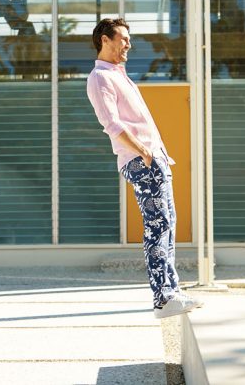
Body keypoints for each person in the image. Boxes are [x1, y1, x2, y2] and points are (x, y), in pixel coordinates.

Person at [87, 17, 202, 318]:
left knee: (167, 224)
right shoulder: (101, 78)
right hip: (141, 161)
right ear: (105, 40)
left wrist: (156, 155)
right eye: (123, 38)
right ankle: (163, 299)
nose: (128, 44)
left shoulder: (118, 74)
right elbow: (112, 124)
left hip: (154, 159)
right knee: (157, 226)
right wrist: (145, 152)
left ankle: (172, 291)